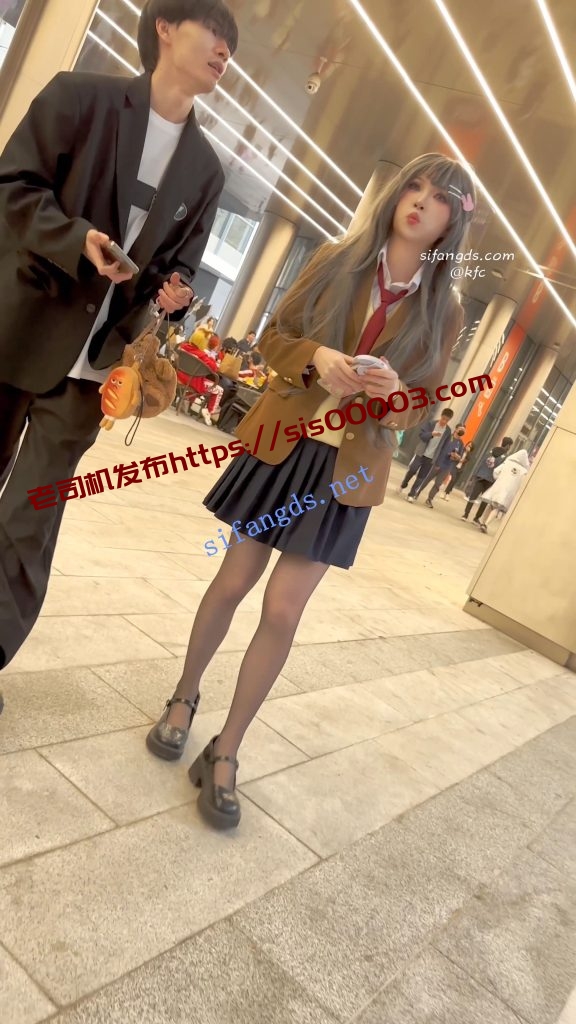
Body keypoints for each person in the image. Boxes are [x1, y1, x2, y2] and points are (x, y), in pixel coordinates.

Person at [145, 152, 476, 830]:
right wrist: (316, 358)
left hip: (345, 474)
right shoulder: (336, 259)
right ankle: (183, 697)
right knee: (233, 581)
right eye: (413, 186)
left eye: (439, 197)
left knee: (284, 609)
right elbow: (274, 337)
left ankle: (227, 749)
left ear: (452, 222)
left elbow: (422, 407)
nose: (420, 201)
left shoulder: (444, 309)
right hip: (282, 446)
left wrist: (394, 393)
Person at [0, 0, 239, 677]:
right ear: (165, 27)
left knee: (29, 521)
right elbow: (12, 187)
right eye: (215, 33)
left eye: (231, 45)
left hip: (94, 365)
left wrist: (174, 291)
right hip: (16, 330)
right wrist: (77, 239)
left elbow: (181, 264)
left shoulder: (206, 169)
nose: (224, 52)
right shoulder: (80, 98)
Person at [401, 409, 454, 501]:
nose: (444, 421)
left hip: (431, 458)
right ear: (441, 416)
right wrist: (431, 434)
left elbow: (444, 448)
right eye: (443, 418)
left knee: (421, 477)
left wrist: (438, 463)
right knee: (412, 470)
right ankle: (404, 483)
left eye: (447, 420)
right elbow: (422, 436)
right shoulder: (431, 424)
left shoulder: (448, 431)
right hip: (421, 453)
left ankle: (411, 495)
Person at [461, 436, 513, 522]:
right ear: (507, 445)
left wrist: (476, 474)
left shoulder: (491, 450)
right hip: (491, 481)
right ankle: (476, 518)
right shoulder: (505, 457)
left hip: (481, 476)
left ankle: (465, 515)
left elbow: (481, 462)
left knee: (473, 496)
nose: (509, 448)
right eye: (510, 446)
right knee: (485, 501)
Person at [477, 449, 530, 532]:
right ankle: (485, 524)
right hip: (509, 492)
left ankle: (482, 522)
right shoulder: (524, 471)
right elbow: (522, 483)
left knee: (491, 505)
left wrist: (498, 479)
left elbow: (496, 471)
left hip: (499, 486)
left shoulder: (507, 462)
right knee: (497, 508)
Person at [176, 335, 223, 424]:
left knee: (198, 377)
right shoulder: (202, 355)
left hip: (178, 375)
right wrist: (212, 358)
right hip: (191, 381)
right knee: (219, 390)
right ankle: (208, 412)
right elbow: (214, 368)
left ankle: (186, 402)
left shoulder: (182, 346)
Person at [419, 423, 467, 508]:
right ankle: (416, 492)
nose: (461, 431)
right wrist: (436, 461)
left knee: (438, 484)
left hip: (447, 466)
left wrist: (456, 456)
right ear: (456, 429)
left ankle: (430, 499)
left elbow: (460, 457)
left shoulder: (460, 443)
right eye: (460, 429)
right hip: (438, 462)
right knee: (426, 479)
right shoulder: (448, 437)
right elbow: (439, 448)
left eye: (463, 430)